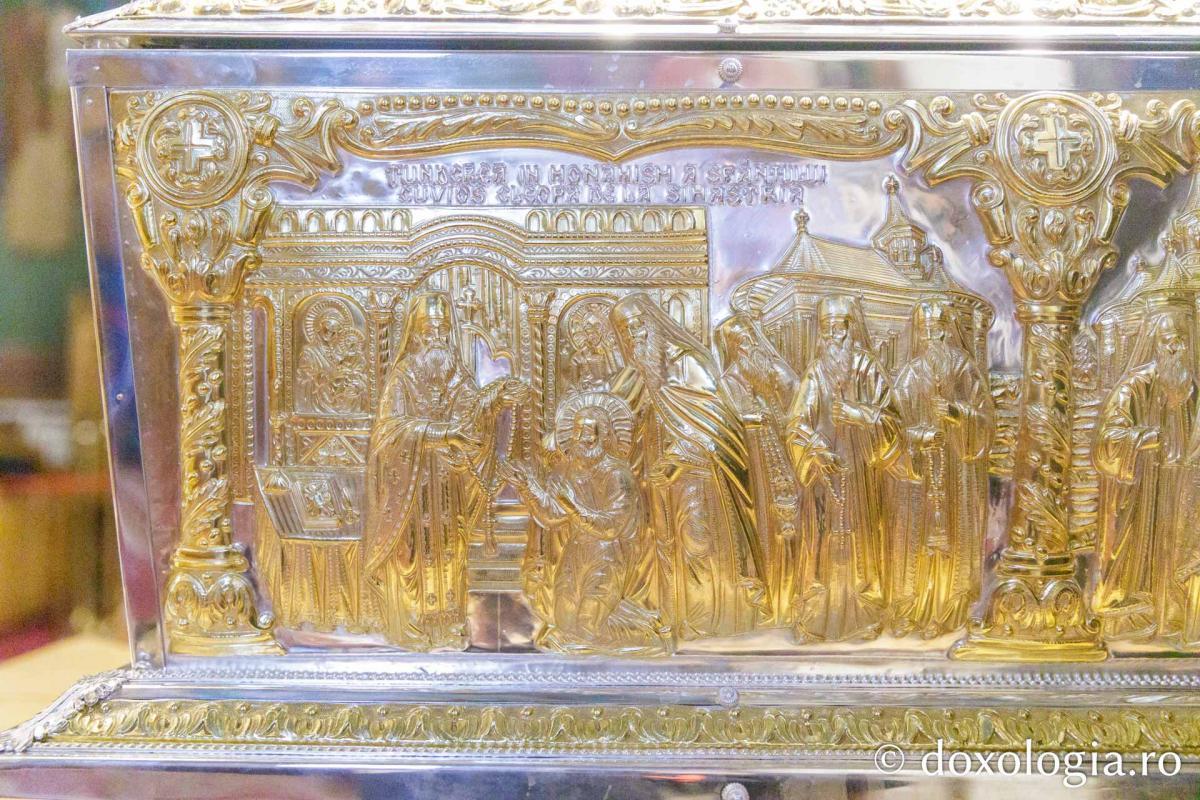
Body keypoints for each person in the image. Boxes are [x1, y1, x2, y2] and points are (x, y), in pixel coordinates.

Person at [361, 292, 526, 649]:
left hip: (448, 488)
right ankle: (412, 622)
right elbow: (389, 432)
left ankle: (449, 624)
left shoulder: (455, 374)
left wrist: (495, 398)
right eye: (429, 329)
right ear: (416, 333)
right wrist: (441, 434)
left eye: (442, 328)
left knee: (449, 554)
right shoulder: (404, 376)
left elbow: (471, 414)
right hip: (411, 489)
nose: (436, 336)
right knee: (414, 557)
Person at [607, 293, 769, 642]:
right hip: (660, 483)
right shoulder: (639, 373)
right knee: (667, 548)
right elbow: (619, 416)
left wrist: (680, 454)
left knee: (698, 543)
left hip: (701, 478)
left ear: (653, 324)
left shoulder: (687, 362)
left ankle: (711, 621)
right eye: (626, 331)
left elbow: (719, 427)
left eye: (639, 326)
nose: (634, 335)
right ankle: (678, 618)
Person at [505, 391, 668, 655]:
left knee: (586, 627)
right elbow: (552, 515)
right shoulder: (570, 471)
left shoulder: (618, 475)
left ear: (604, 435)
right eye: (577, 431)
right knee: (564, 622)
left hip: (608, 557)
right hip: (576, 554)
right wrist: (527, 487)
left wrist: (572, 506)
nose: (582, 438)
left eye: (589, 432)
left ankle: (646, 631)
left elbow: (610, 527)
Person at [786, 295, 903, 643]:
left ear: (851, 329)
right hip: (824, 476)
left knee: (862, 544)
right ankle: (817, 618)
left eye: (839, 328)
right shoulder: (816, 372)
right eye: (827, 328)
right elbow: (796, 424)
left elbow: (893, 421)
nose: (833, 336)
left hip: (862, 474)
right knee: (821, 545)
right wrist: (818, 449)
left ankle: (864, 616)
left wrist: (859, 414)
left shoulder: (867, 368)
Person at [1094, 308, 1200, 645]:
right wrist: (1142, 438)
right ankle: (1139, 615)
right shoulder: (1135, 386)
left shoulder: (1193, 388)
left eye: (1180, 340)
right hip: (1145, 491)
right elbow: (1107, 440)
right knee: (1139, 555)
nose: (1174, 347)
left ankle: (1178, 618)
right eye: (1167, 340)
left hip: (1184, 489)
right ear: (1155, 343)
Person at [890, 298, 992, 639]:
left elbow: (985, 419)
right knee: (918, 539)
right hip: (921, 472)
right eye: (926, 330)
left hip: (956, 472)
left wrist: (957, 412)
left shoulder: (964, 369)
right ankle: (914, 608)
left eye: (937, 329)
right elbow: (894, 423)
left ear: (948, 331)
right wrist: (919, 435)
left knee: (951, 538)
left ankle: (947, 610)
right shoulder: (911, 374)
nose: (932, 337)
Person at [714, 313, 804, 627]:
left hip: (782, 459)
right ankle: (771, 600)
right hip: (754, 470)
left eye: (751, 339)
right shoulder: (729, 381)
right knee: (767, 530)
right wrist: (755, 417)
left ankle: (793, 596)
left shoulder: (767, 373)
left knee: (792, 524)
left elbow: (793, 402)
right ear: (732, 348)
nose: (748, 346)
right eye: (741, 342)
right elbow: (733, 423)